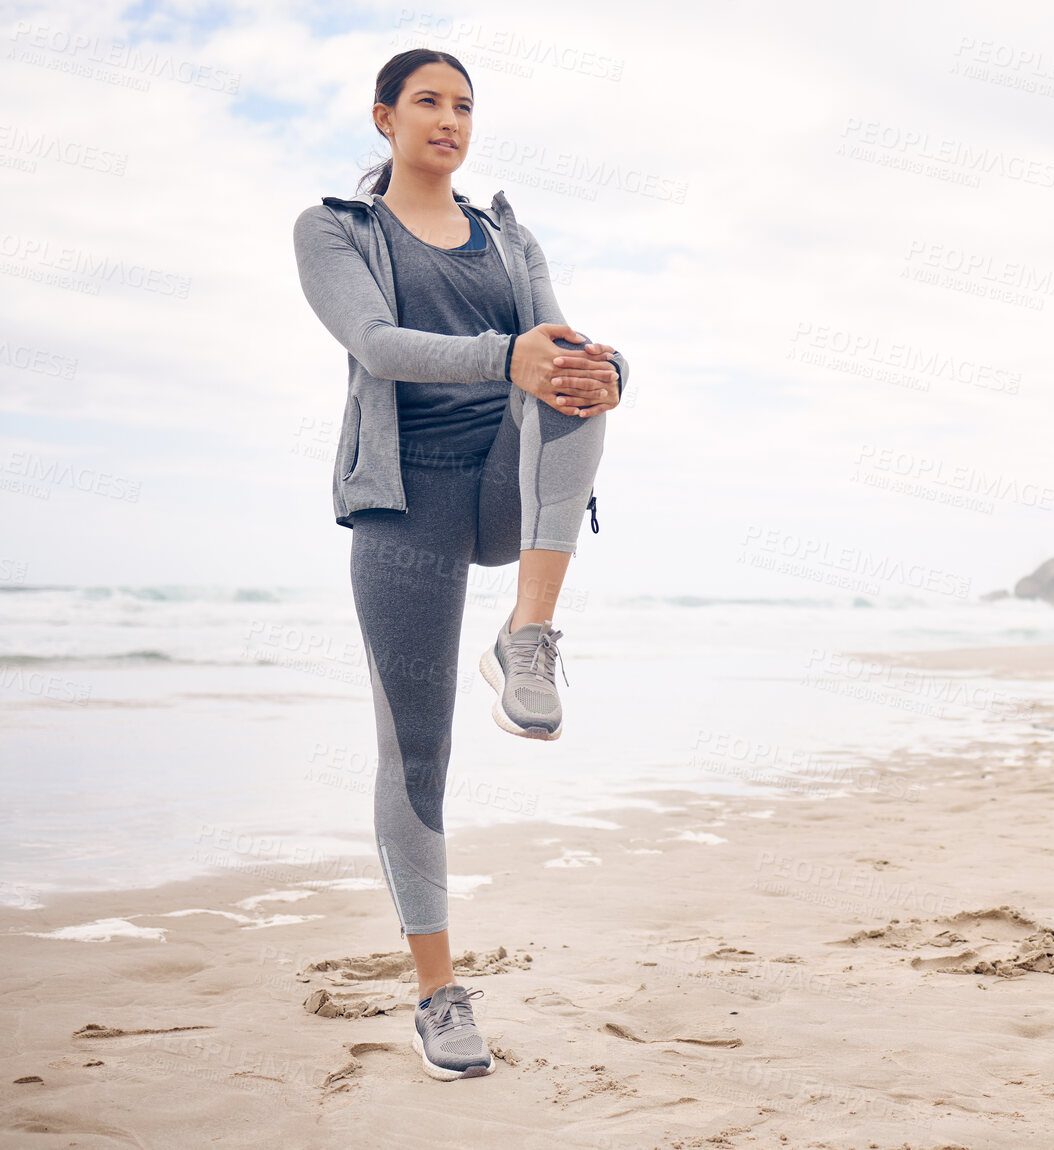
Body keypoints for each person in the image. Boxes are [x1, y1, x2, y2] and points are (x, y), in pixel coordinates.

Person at [291, 48, 628, 1081]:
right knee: (416, 752)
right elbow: (376, 342)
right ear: (385, 117)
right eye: (428, 103)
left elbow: (554, 344)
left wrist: (610, 371)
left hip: (499, 484)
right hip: (403, 503)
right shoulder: (335, 232)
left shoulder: (507, 236)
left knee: (576, 373)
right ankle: (438, 995)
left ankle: (528, 635)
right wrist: (503, 355)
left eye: (464, 107)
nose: (449, 120)